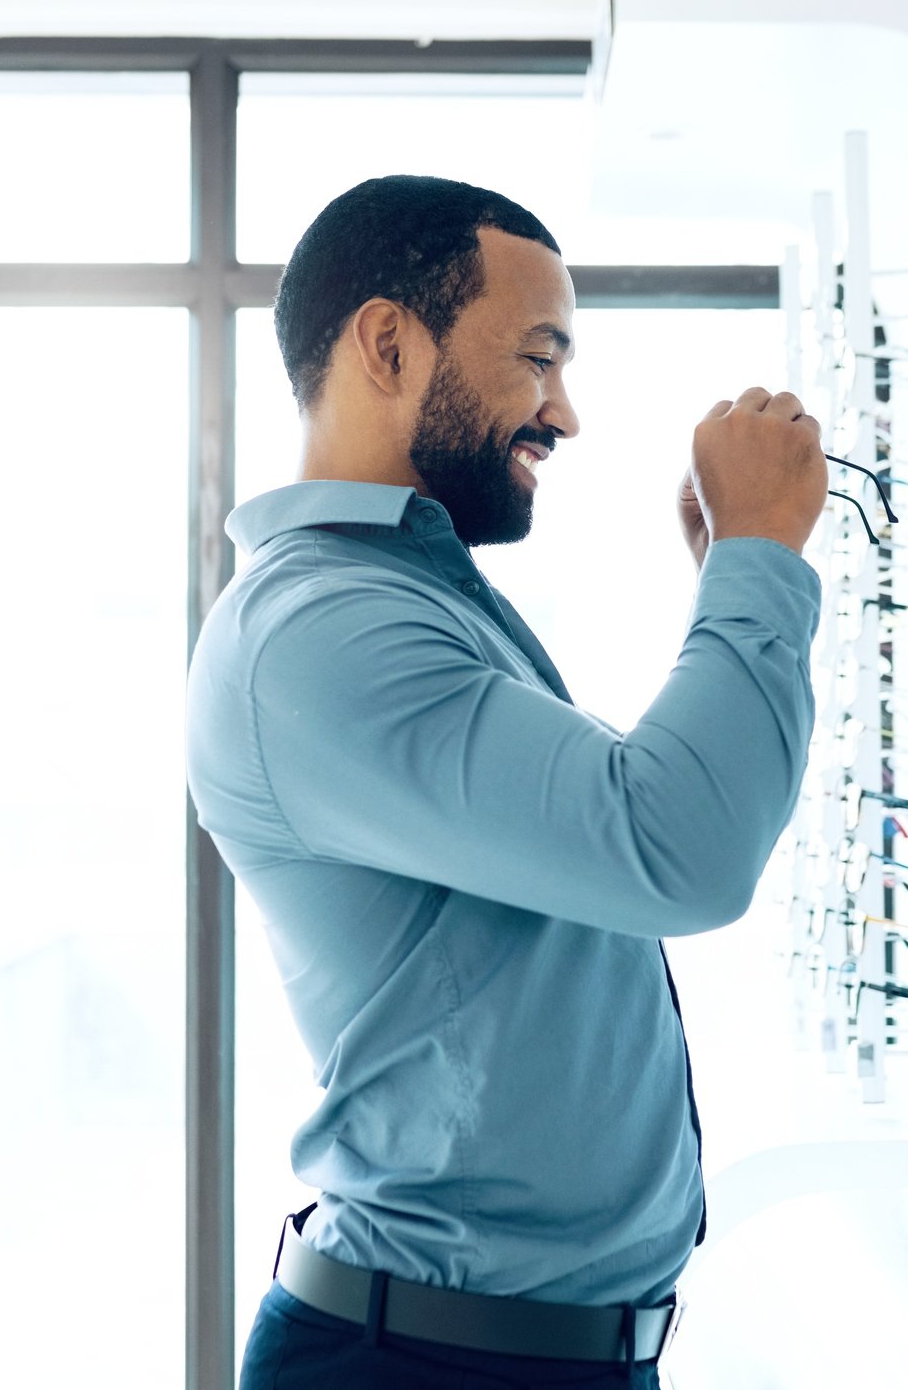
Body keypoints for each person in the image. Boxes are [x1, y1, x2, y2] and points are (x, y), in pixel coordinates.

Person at [185, 173, 828, 1389]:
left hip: (509, 1352)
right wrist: (754, 560)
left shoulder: (402, 601)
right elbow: (677, 846)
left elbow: (641, 832)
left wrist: (737, 577)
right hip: (431, 1363)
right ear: (388, 342)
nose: (564, 414)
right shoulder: (319, 635)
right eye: (538, 357)